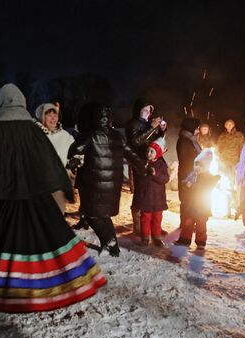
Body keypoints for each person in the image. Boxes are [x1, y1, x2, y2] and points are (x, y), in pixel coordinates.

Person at [0, 84, 106, 313]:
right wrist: (64, 186)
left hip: (9, 198)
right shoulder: (32, 129)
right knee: (48, 237)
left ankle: (14, 292)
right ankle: (59, 284)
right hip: (37, 196)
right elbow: (50, 160)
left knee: (11, 243)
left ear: (0, 103)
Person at [68, 102, 147, 257]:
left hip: (95, 182)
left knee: (90, 214)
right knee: (103, 215)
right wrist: (143, 167)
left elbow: (76, 149)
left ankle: (109, 239)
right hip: (113, 184)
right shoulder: (117, 136)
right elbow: (131, 154)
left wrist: (75, 148)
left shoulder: (93, 135)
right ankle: (112, 245)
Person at [125, 98, 166, 235]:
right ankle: (139, 226)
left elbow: (153, 141)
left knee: (154, 193)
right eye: (145, 109)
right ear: (138, 110)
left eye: (150, 109)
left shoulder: (148, 123)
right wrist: (152, 127)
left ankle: (154, 226)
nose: (148, 112)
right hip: (139, 162)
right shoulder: (132, 123)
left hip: (151, 161)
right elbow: (136, 141)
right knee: (140, 193)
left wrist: (161, 131)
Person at [35, 102, 75, 213]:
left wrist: (73, 166)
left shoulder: (66, 137)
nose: (53, 118)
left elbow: (74, 159)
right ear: (42, 117)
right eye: (49, 115)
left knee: (57, 218)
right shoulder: (35, 136)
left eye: (55, 115)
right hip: (39, 187)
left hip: (58, 187)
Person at [174, 149, 219, 248]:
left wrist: (192, 186)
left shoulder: (208, 177)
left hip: (202, 206)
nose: (197, 167)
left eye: (200, 165)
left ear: (206, 166)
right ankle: (185, 240)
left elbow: (204, 187)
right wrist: (186, 186)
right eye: (196, 164)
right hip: (191, 205)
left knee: (201, 225)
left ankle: (201, 242)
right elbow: (185, 183)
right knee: (187, 223)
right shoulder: (193, 175)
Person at [131, 137, 169, 247]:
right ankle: (145, 237)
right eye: (148, 151)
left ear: (158, 153)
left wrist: (155, 174)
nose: (149, 153)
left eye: (152, 151)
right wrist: (144, 173)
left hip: (158, 197)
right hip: (146, 197)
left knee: (157, 218)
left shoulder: (161, 164)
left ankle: (156, 237)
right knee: (145, 218)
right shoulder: (143, 163)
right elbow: (139, 178)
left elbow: (165, 179)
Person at [177, 117, 202, 226]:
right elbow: (185, 158)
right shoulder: (184, 141)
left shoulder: (190, 139)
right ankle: (185, 224)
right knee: (186, 199)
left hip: (191, 173)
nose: (198, 130)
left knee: (192, 199)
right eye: (196, 128)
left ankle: (190, 222)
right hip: (186, 174)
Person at [216, 119, 245, 214]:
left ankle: (235, 205)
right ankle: (225, 206)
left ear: (234, 125)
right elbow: (218, 148)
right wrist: (218, 159)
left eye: (231, 124)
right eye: (227, 124)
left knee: (234, 184)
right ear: (225, 125)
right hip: (224, 163)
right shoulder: (222, 136)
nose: (229, 125)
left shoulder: (239, 135)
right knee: (224, 183)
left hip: (234, 162)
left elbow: (242, 148)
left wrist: (241, 161)